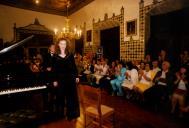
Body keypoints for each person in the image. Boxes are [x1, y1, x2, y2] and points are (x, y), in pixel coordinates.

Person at [52, 38, 80, 120]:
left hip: (70, 79)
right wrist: (54, 80)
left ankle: (71, 115)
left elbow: (74, 67)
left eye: (64, 44)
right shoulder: (55, 56)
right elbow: (54, 70)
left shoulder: (70, 55)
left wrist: (76, 76)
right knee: (60, 97)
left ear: (66, 45)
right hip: (60, 80)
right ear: (58, 45)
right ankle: (60, 115)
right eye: (61, 44)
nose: (63, 46)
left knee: (71, 98)